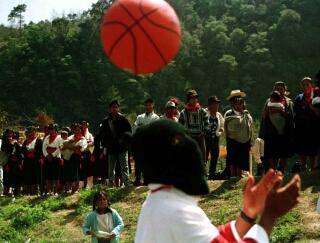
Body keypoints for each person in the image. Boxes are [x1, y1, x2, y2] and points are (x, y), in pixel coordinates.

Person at [132, 119, 300, 243]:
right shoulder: (177, 212)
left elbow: (213, 238)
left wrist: (248, 214)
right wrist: (269, 215)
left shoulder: (156, 202)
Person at [260, 81, 294, 173]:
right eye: (277, 88)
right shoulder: (269, 101)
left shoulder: (288, 102)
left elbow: (291, 116)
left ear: (285, 90)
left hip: (285, 132)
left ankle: (282, 172)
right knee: (273, 155)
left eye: (281, 88)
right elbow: (264, 116)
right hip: (272, 133)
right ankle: (273, 173)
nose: (279, 90)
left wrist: (282, 112)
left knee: (284, 154)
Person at [99, 100, 132, 187]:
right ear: (110, 109)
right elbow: (102, 135)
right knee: (111, 168)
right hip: (111, 148)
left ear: (118, 108)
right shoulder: (106, 121)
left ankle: (127, 183)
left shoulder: (123, 119)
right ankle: (110, 184)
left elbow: (129, 132)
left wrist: (125, 142)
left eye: (116, 107)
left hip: (122, 147)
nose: (114, 109)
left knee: (124, 166)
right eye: (113, 107)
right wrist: (106, 145)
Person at [224, 90, 253, 177]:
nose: (238, 105)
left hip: (244, 141)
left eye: (240, 103)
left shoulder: (246, 114)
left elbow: (249, 127)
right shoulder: (229, 113)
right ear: (233, 103)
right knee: (232, 159)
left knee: (241, 159)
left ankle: (239, 176)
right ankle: (233, 176)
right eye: (236, 103)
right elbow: (227, 126)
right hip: (232, 140)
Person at [293, 77, 319, 171]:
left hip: (314, 127)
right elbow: (295, 112)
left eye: (307, 84)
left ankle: (313, 168)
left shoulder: (317, 97)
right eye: (303, 85)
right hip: (301, 127)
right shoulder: (299, 98)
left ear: (312, 85)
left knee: (313, 150)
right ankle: (303, 168)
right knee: (302, 150)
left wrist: (311, 107)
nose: (305, 86)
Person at [179, 89, 209, 164]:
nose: (194, 100)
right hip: (189, 138)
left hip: (200, 137)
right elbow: (180, 125)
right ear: (188, 100)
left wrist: (204, 132)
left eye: (195, 98)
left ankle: (202, 174)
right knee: (189, 157)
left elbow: (207, 122)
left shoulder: (202, 111)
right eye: (192, 98)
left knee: (202, 158)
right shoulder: (184, 112)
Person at [133, 98, 159, 186]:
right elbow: (135, 128)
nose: (148, 107)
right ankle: (137, 179)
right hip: (140, 142)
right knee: (138, 162)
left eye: (149, 105)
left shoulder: (156, 117)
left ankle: (148, 180)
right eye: (146, 105)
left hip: (150, 143)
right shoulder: (140, 117)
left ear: (153, 105)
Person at [205, 96, 224, 179]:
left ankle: (212, 173)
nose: (216, 106)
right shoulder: (204, 113)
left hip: (215, 138)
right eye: (214, 104)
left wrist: (219, 132)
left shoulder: (219, 115)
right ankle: (203, 173)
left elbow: (223, 126)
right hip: (206, 138)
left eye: (217, 104)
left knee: (215, 155)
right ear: (209, 105)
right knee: (204, 156)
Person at [42, 124, 63, 195]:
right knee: (48, 176)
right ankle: (49, 191)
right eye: (50, 129)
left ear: (55, 129)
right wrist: (47, 155)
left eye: (52, 129)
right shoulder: (47, 137)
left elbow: (61, 147)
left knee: (56, 176)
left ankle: (56, 191)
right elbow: (43, 148)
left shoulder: (59, 137)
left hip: (56, 158)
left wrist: (53, 155)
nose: (51, 131)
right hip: (47, 158)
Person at [21, 126, 43, 195]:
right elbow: (23, 150)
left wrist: (34, 151)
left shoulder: (39, 140)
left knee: (35, 176)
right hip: (27, 161)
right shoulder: (25, 141)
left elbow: (40, 150)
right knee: (27, 176)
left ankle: (35, 191)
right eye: (30, 131)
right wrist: (28, 152)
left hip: (35, 161)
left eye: (32, 131)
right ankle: (26, 191)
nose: (31, 133)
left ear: (35, 132)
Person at [1, 129, 23, 197]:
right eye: (8, 133)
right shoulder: (4, 142)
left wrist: (17, 158)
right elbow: (7, 150)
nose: (10, 135)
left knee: (17, 177)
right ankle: (6, 193)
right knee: (7, 179)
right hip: (8, 163)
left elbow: (19, 152)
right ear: (5, 134)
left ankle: (17, 193)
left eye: (11, 133)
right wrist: (12, 143)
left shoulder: (15, 141)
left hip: (16, 163)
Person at [80, 121, 94, 189]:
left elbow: (92, 145)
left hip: (88, 153)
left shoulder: (90, 135)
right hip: (80, 153)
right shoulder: (79, 134)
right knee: (82, 170)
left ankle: (89, 185)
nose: (83, 126)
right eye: (82, 125)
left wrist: (92, 155)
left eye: (85, 125)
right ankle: (82, 186)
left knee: (89, 170)